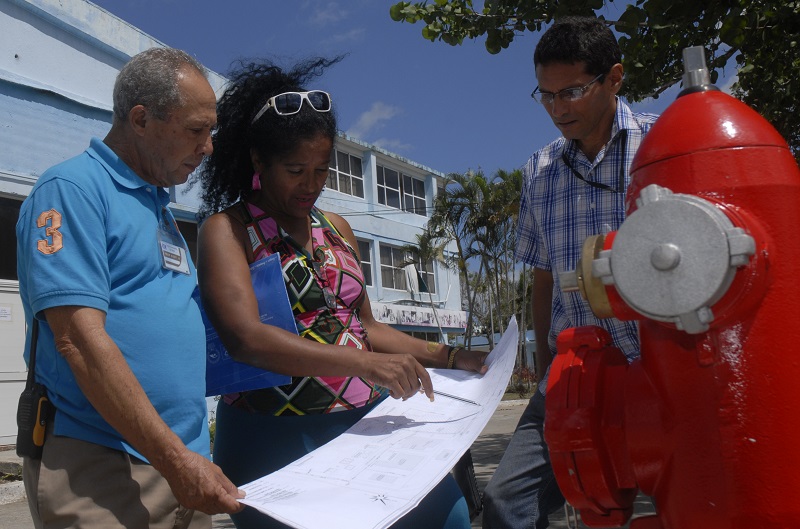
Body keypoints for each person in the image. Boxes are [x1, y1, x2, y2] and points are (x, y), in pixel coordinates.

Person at [194, 57, 489, 529]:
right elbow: (244, 338)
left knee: (447, 517)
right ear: (257, 161)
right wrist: (367, 364)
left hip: (362, 425)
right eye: (295, 170)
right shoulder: (228, 231)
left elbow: (367, 327)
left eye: (321, 169)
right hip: (274, 436)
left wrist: (450, 356)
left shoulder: (337, 229)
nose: (310, 185)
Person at [15, 47, 244, 529]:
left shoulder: (158, 207)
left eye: (212, 132)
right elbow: (76, 339)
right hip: (103, 465)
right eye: (196, 130)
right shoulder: (72, 189)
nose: (208, 147)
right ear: (141, 119)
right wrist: (175, 461)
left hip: (181, 462)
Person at [481, 17, 659, 529]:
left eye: (573, 92)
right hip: (573, 376)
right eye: (547, 95)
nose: (559, 109)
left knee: (687, 502)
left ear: (614, 78)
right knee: (506, 503)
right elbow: (541, 278)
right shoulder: (540, 169)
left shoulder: (661, 145)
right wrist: (545, 374)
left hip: (660, 368)